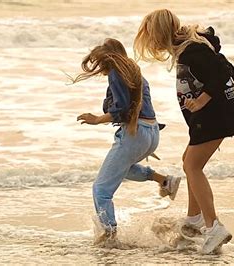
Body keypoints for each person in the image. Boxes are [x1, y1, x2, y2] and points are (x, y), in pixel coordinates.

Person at [133, 9, 234, 254]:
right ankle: (194, 219)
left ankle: (214, 226)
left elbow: (221, 71)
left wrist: (203, 100)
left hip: (215, 114)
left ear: (159, 33)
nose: (151, 42)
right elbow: (227, 66)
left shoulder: (191, 50)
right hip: (219, 112)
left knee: (193, 166)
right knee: (188, 161)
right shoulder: (193, 44)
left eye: (152, 36)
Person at [71, 38, 181, 246]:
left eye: (99, 61)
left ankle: (109, 236)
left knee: (101, 190)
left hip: (136, 134)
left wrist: (96, 120)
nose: (98, 67)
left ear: (107, 58)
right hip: (151, 132)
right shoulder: (136, 72)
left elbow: (120, 110)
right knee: (124, 169)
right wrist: (143, 142)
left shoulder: (116, 73)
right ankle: (165, 181)